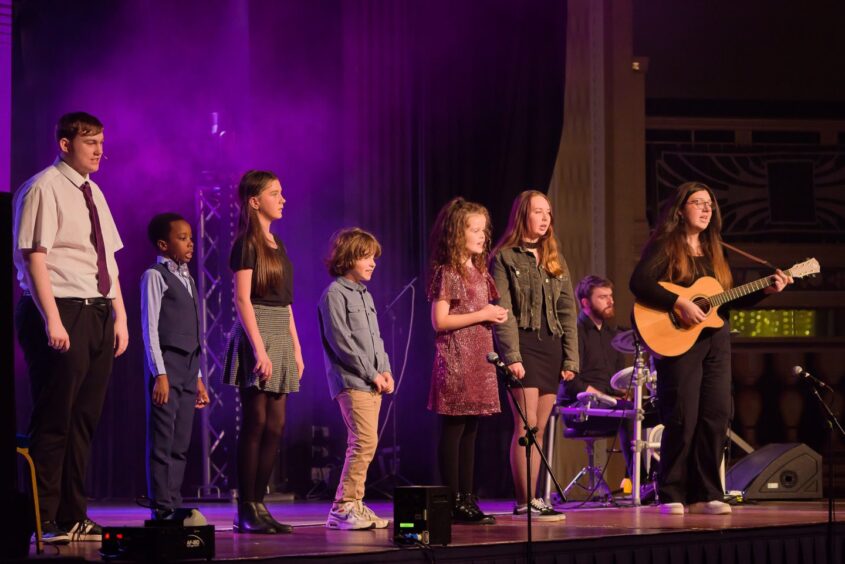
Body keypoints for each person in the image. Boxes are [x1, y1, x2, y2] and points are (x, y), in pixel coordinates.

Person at [630, 181, 792, 515]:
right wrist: (679, 303)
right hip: (679, 341)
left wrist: (766, 291)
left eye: (710, 205)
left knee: (715, 416)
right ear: (680, 209)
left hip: (715, 339)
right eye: (698, 203)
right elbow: (640, 283)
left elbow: (724, 304)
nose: (706, 209)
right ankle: (671, 492)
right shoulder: (665, 245)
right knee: (682, 418)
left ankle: (707, 492)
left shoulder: (717, 250)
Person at [13, 112, 128, 543]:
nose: (99, 150)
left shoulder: (93, 191)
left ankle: (73, 513)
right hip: (61, 309)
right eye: (89, 142)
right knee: (56, 417)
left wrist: (120, 316)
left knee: (83, 419)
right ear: (65, 144)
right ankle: (45, 519)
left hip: (95, 310)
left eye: (101, 141)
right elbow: (34, 256)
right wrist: (53, 319)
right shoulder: (44, 187)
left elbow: (108, 259)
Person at [223, 170, 304, 534]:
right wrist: (260, 348)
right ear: (255, 201)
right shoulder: (245, 243)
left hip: (280, 333)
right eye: (275, 193)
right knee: (255, 421)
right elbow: (242, 299)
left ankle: (260, 504)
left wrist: (296, 349)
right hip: (256, 332)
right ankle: (246, 508)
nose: (282, 199)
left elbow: (285, 304)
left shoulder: (279, 245)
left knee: (276, 424)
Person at [491, 190, 577, 521]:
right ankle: (524, 500)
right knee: (525, 427)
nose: (544, 218)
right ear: (523, 214)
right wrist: (511, 355)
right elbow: (504, 310)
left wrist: (571, 358)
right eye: (538, 212)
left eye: (548, 213)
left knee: (539, 429)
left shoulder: (555, 257)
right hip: (523, 346)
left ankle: (536, 498)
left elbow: (568, 310)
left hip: (551, 347)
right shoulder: (505, 257)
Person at [428, 197, 506, 525]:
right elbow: (440, 321)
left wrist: (492, 316)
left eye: (483, 230)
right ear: (457, 233)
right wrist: (483, 314)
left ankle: (467, 498)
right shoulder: (449, 271)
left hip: (479, 358)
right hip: (457, 357)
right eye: (473, 229)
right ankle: (451, 500)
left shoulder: (480, 271)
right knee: (455, 428)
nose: (481, 236)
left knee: (472, 429)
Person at [318, 228, 394, 531]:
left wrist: (385, 370)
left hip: (372, 380)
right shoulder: (334, 294)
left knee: (366, 443)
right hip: (352, 380)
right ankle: (343, 506)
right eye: (366, 256)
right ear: (348, 256)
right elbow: (342, 342)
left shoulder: (365, 294)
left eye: (374, 257)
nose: (372, 262)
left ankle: (354, 503)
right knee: (363, 441)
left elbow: (375, 339)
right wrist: (371, 373)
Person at [141, 213, 210, 520]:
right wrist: (160, 374)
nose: (190, 243)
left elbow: (194, 333)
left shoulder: (189, 279)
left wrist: (197, 377)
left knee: (181, 439)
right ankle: (161, 504)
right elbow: (149, 328)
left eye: (191, 237)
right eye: (182, 238)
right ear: (163, 244)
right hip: (167, 366)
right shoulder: (155, 276)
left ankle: (173, 500)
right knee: (163, 438)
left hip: (188, 366)